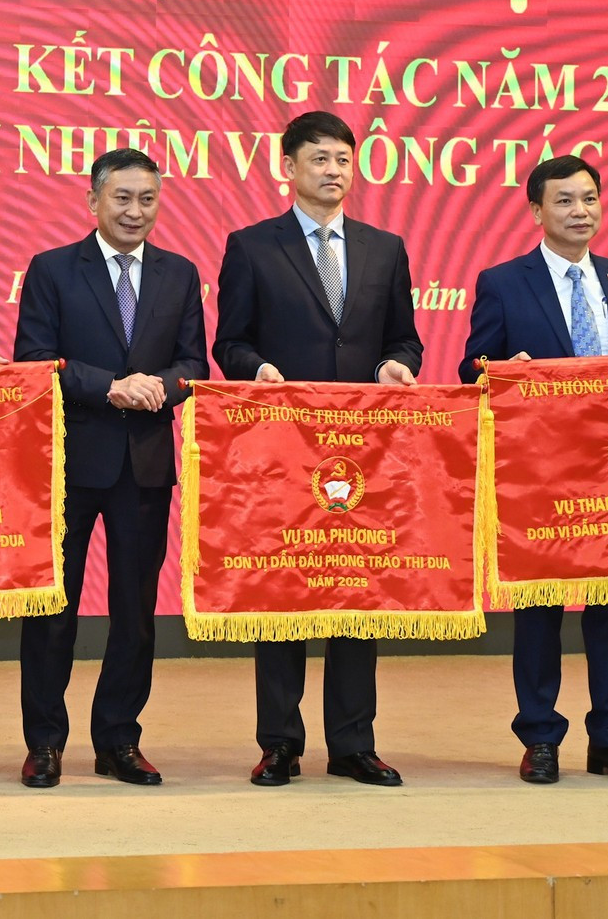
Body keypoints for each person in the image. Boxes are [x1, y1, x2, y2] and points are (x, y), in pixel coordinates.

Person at [458, 154, 608, 786]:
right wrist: (504, 367)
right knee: (540, 610)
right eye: (564, 201)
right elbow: (471, 366)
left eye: (589, 199)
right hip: (541, 476)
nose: (579, 211)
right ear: (536, 211)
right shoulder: (503, 282)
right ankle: (540, 737)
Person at [212, 111, 421, 788]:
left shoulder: (384, 248)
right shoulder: (251, 246)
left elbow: (403, 338)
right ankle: (280, 742)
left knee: (358, 591)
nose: (333, 170)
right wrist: (256, 370)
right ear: (289, 167)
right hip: (282, 449)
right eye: (320, 158)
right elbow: (229, 342)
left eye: (343, 159)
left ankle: (353, 742)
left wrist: (396, 365)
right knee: (283, 594)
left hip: (364, 452)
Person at [12, 149, 207, 788]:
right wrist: (113, 387)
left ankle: (118, 738)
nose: (134, 211)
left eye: (147, 199)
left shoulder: (180, 274)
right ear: (93, 202)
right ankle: (44, 743)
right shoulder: (53, 269)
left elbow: (194, 365)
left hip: (145, 465)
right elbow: (36, 359)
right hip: (68, 460)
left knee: (135, 611)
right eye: (122, 198)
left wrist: (161, 387)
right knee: (51, 611)